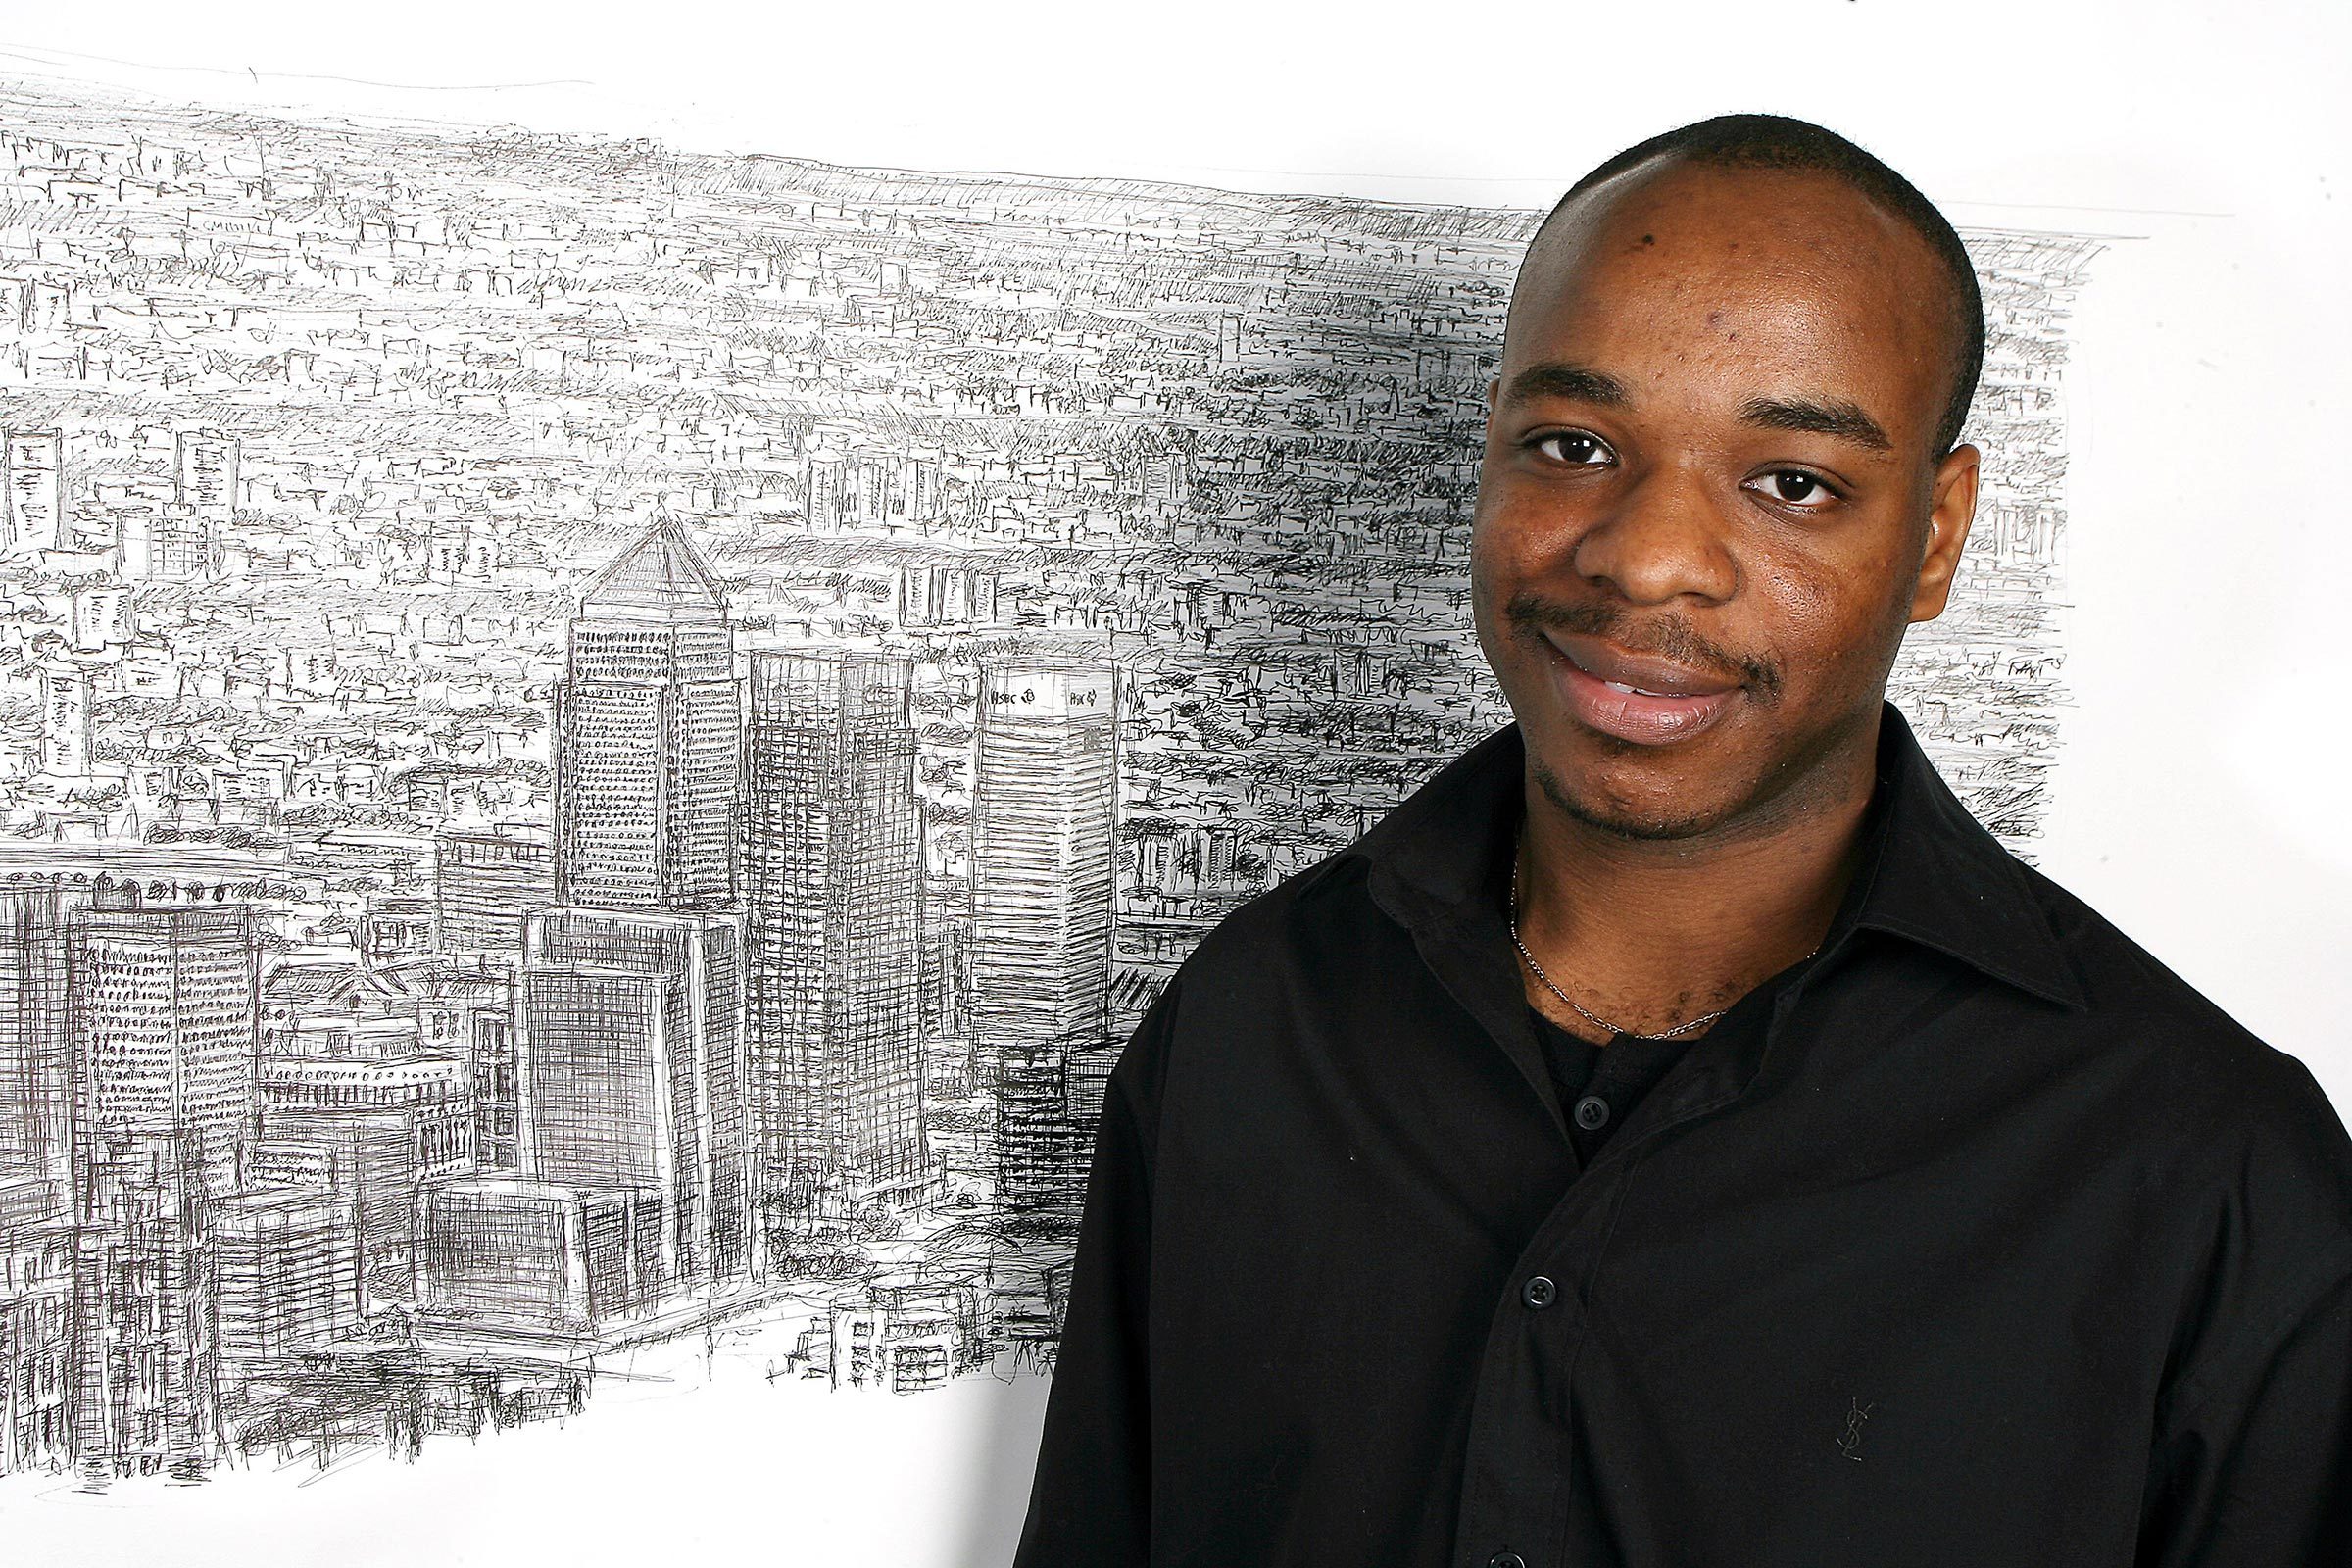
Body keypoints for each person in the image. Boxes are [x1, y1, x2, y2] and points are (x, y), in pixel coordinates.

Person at [1010, 113, 2352, 1566]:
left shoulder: (2207, 1174)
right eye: (1575, 445)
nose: (1646, 557)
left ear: (1938, 538)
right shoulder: (1250, 1027)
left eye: (1792, 483)